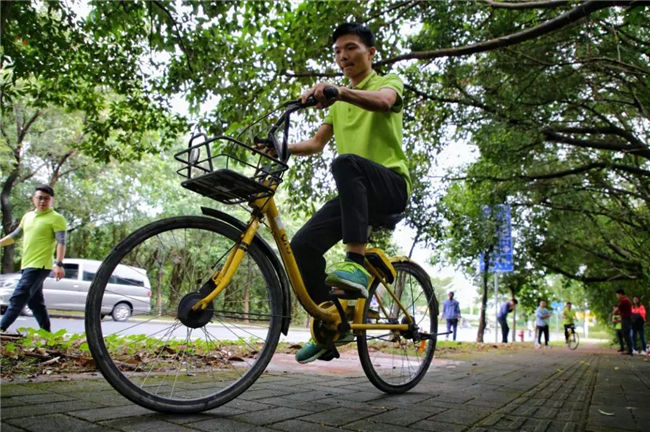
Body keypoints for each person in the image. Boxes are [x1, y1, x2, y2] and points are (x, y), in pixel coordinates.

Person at [287, 23, 411, 364]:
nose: (343, 56)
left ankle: (354, 262)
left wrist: (338, 91)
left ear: (371, 53)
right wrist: (278, 147)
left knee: (346, 163)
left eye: (351, 48)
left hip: (391, 187)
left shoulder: (388, 82)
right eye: (338, 52)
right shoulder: (337, 105)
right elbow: (315, 144)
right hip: (355, 193)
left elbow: (385, 103)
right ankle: (332, 322)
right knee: (301, 247)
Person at [0, 184, 67, 333]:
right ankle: (48, 334)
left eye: (46, 199)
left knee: (19, 296)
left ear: (52, 200)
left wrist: (59, 264)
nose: (42, 201)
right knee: (35, 302)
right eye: (40, 198)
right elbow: (15, 236)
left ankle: (1, 327)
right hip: (27, 264)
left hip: (40, 265)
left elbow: (61, 241)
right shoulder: (28, 216)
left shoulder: (56, 218)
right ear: (33, 199)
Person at [615, 289, 633, 355]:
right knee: (625, 334)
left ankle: (629, 350)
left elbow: (617, 310)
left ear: (620, 294)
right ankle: (629, 349)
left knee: (626, 334)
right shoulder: (625, 300)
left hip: (626, 319)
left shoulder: (624, 300)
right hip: (625, 318)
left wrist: (615, 311)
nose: (617, 296)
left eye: (617, 295)